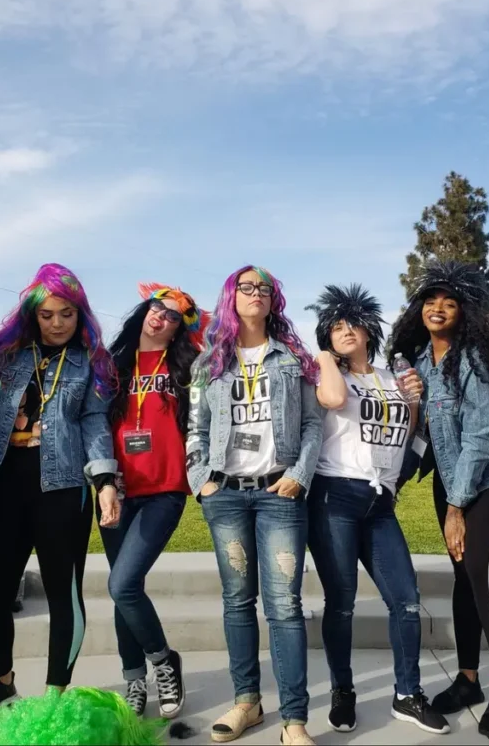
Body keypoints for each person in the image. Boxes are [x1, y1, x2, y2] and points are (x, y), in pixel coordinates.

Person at [0, 264, 121, 725]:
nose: (56, 323)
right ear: (32, 314)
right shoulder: (2, 359)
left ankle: (55, 695)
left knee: (63, 595)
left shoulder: (89, 363)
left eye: (67, 314)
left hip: (63, 491)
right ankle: (1, 682)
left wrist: (105, 482)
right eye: (48, 314)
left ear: (79, 315)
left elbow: (93, 423)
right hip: (0, 488)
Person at [186, 265, 323, 746]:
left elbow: (312, 425)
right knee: (238, 601)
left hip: (277, 495)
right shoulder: (209, 363)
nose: (256, 294)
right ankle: (247, 702)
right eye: (246, 287)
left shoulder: (293, 359)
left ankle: (295, 721)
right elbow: (195, 428)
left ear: (273, 300)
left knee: (284, 605)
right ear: (231, 297)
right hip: (224, 494)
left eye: (264, 288)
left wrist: (299, 475)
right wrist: (200, 480)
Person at [390, 260, 489, 737]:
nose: (439, 308)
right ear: (419, 308)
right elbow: (423, 433)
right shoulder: (420, 362)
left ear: (464, 312)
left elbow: (480, 438)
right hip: (448, 480)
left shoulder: (475, 359)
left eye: (450, 302)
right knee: (461, 573)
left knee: (482, 569)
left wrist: (456, 507)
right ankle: (468, 678)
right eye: (431, 300)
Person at [306, 284, 451, 736]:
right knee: (343, 603)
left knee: (406, 600)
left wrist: (412, 402)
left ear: (370, 328)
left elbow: (407, 437)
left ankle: (407, 694)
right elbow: (330, 402)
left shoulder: (393, 375)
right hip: (335, 496)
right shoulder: (325, 374)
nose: (345, 331)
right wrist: (327, 357)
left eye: (352, 323)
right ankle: (343, 690)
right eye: (334, 327)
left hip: (381, 501)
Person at [101, 282, 209, 718]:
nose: (160, 317)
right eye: (156, 308)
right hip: (116, 491)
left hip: (165, 488)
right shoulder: (113, 365)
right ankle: (134, 681)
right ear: (144, 311)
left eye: (172, 315)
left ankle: (164, 661)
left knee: (123, 584)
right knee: (124, 590)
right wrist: (103, 480)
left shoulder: (189, 365)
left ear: (179, 328)